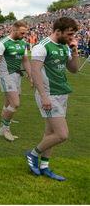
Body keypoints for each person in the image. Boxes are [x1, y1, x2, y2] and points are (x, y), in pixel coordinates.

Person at [25, 17, 79, 181]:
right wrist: (44, 97)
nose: (71, 37)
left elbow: (74, 69)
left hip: (62, 93)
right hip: (49, 95)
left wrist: (74, 50)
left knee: (51, 132)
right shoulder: (42, 47)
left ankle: (44, 166)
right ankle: (32, 154)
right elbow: (35, 72)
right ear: (58, 31)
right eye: (69, 34)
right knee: (62, 134)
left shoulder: (65, 46)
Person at [0, 21, 32, 142]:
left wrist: (30, 75)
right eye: (22, 32)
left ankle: (4, 118)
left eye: (25, 32)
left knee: (10, 100)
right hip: (5, 74)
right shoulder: (2, 44)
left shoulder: (23, 43)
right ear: (13, 30)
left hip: (17, 75)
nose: (24, 35)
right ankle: (5, 128)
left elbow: (25, 60)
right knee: (15, 103)